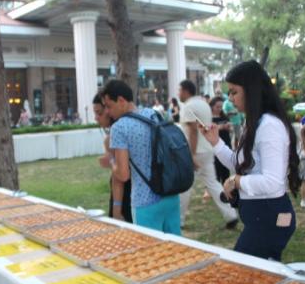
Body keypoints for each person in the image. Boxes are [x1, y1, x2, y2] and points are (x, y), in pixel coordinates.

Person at [200, 60, 300, 261]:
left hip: (269, 218)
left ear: (251, 91)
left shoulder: (269, 126)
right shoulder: (254, 122)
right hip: (259, 217)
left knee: (242, 272)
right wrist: (216, 142)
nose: (230, 98)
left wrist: (236, 181)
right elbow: (241, 164)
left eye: (234, 92)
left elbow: (272, 181)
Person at [103, 80, 181, 234]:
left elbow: (123, 175)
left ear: (121, 101)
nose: (107, 111)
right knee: (176, 249)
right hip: (170, 194)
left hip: (145, 201)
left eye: (109, 105)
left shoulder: (119, 127)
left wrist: (111, 161)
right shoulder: (153, 114)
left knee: (149, 252)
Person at [179, 79, 238, 230]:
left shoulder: (188, 106)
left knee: (185, 186)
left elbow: (192, 131)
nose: (178, 93)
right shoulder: (203, 104)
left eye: (180, 90)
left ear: (186, 91)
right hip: (206, 149)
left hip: (195, 151)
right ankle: (230, 214)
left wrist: (190, 155)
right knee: (212, 183)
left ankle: (179, 220)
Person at [92, 93, 132, 223]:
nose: (96, 118)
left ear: (109, 109)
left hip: (126, 196)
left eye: (99, 113)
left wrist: (116, 208)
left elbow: (119, 178)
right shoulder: (129, 127)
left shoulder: (114, 136)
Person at [210, 96, 231, 184]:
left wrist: (229, 127)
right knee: (217, 168)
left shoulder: (224, 116)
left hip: (226, 142)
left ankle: (226, 186)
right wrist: (222, 127)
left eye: (221, 107)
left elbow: (229, 128)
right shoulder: (209, 117)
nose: (219, 109)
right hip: (214, 145)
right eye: (217, 107)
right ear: (212, 106)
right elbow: (209, 129)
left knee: (225, 167)